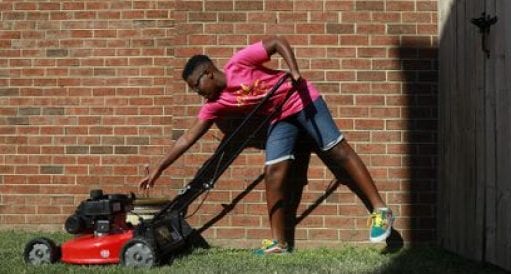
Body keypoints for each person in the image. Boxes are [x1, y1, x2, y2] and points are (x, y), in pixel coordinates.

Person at [138, 36, 394, 255]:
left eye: (196, 86)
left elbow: (276, 41)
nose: (197, 93)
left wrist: (293, 71)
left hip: (303, 99)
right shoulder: (215, 104)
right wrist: (160, 167)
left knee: (336, 150)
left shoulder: (239, 62)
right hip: (281, 118)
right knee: (272, 173)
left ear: (208, 73)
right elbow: (187, 138)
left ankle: (380, 210)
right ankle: (278, 243)